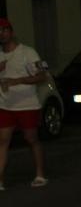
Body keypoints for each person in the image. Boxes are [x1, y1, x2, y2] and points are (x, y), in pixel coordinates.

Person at [0, 18, 49, 190]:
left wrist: (18, 80)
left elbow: (41, 76)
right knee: (3, 140)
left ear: (11, 32)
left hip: (27, 104)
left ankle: (40, 174)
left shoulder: (27, 52)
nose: (2, 34)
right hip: (5, 105)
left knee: (31, 139)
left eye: (4, 30)